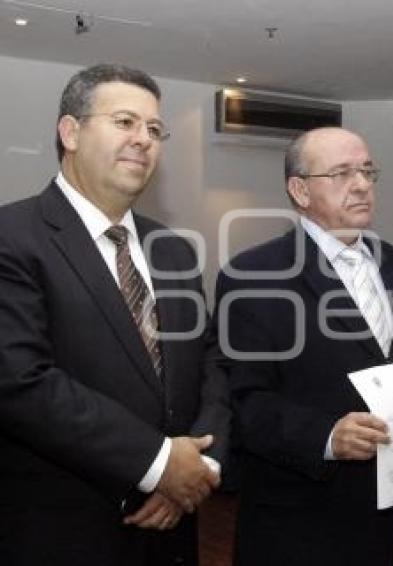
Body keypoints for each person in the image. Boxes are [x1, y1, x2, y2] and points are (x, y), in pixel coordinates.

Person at [0, 64, 230, 566]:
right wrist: (159, 464)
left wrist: (198, 466)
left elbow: (211, 363)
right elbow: (20, 381)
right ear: (71, 132)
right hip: (63, 532)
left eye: (154, 129)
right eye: (125, 122)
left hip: (174, 529)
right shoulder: (12, 237)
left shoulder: (173, 250)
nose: (143, 139)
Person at [214, 126, 393, 566]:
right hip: (304, 520)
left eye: (368, 171)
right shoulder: (254, 276)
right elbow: (245, 402)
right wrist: (327, 435)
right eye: (342, 173)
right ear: (300, 190)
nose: (362, 184)